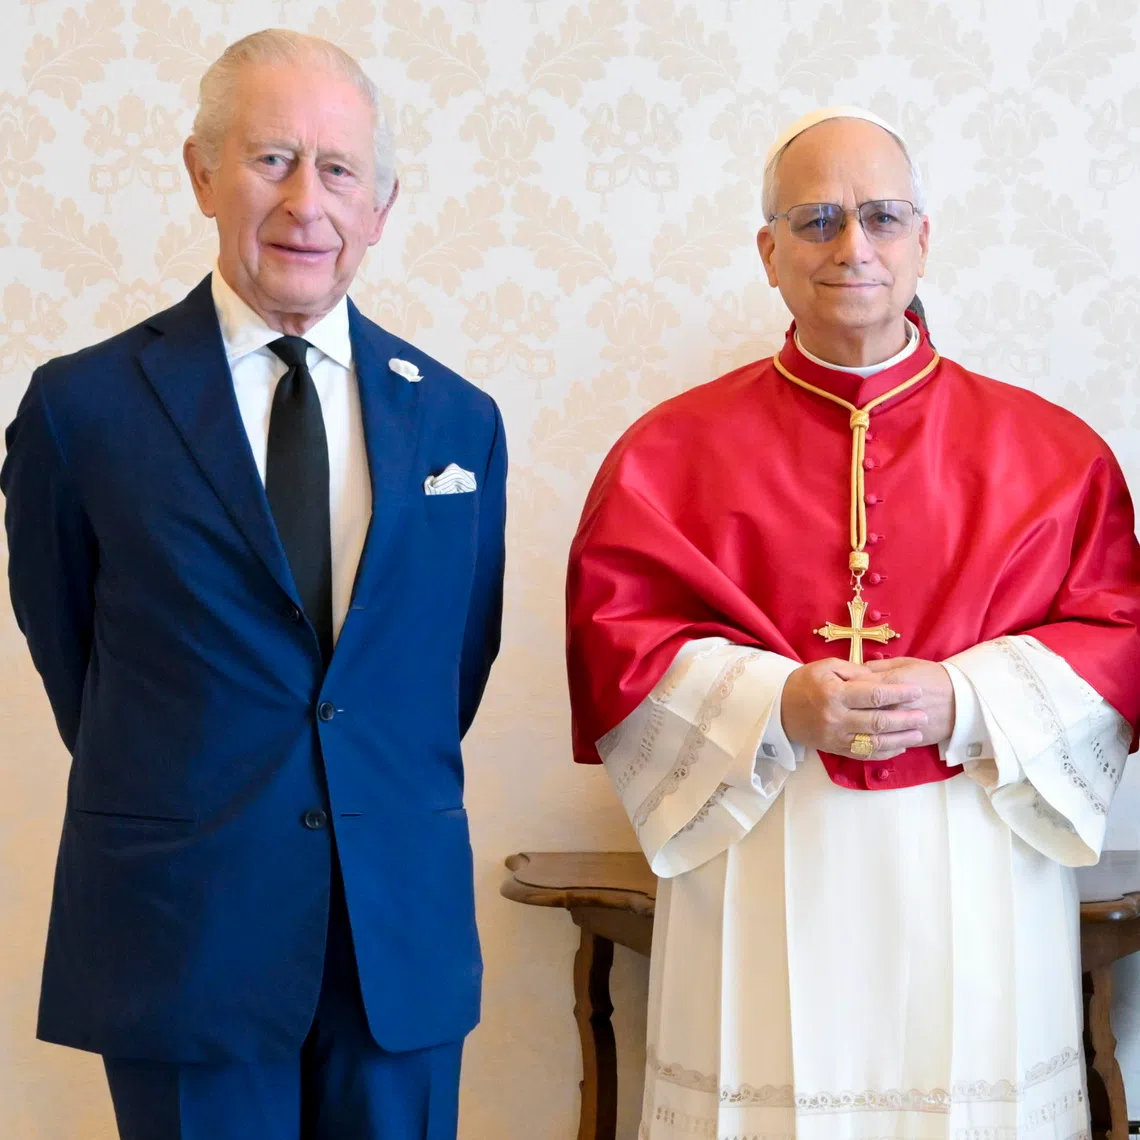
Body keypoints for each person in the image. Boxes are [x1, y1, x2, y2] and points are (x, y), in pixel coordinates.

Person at [565, 105, 1140, 1139]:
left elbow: (1118, 637)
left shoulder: (1056, 453)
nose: (853, 247)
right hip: (763, 836)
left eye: (881, 216)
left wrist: (964, 696)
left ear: (925, 239)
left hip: (979, 843)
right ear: (769, 251)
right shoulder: (666, 453)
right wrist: (774, 699)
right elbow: (616, 639)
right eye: (818, 220)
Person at [2, 29, 505, 1140]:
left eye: (339, 171)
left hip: (396, 940)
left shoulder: (460, 421)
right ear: (202, 173)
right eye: (270, 159)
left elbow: (451, 665)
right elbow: (72, 650)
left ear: (383, 203)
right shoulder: (82, 411)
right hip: (187, 928)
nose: (304, 204)